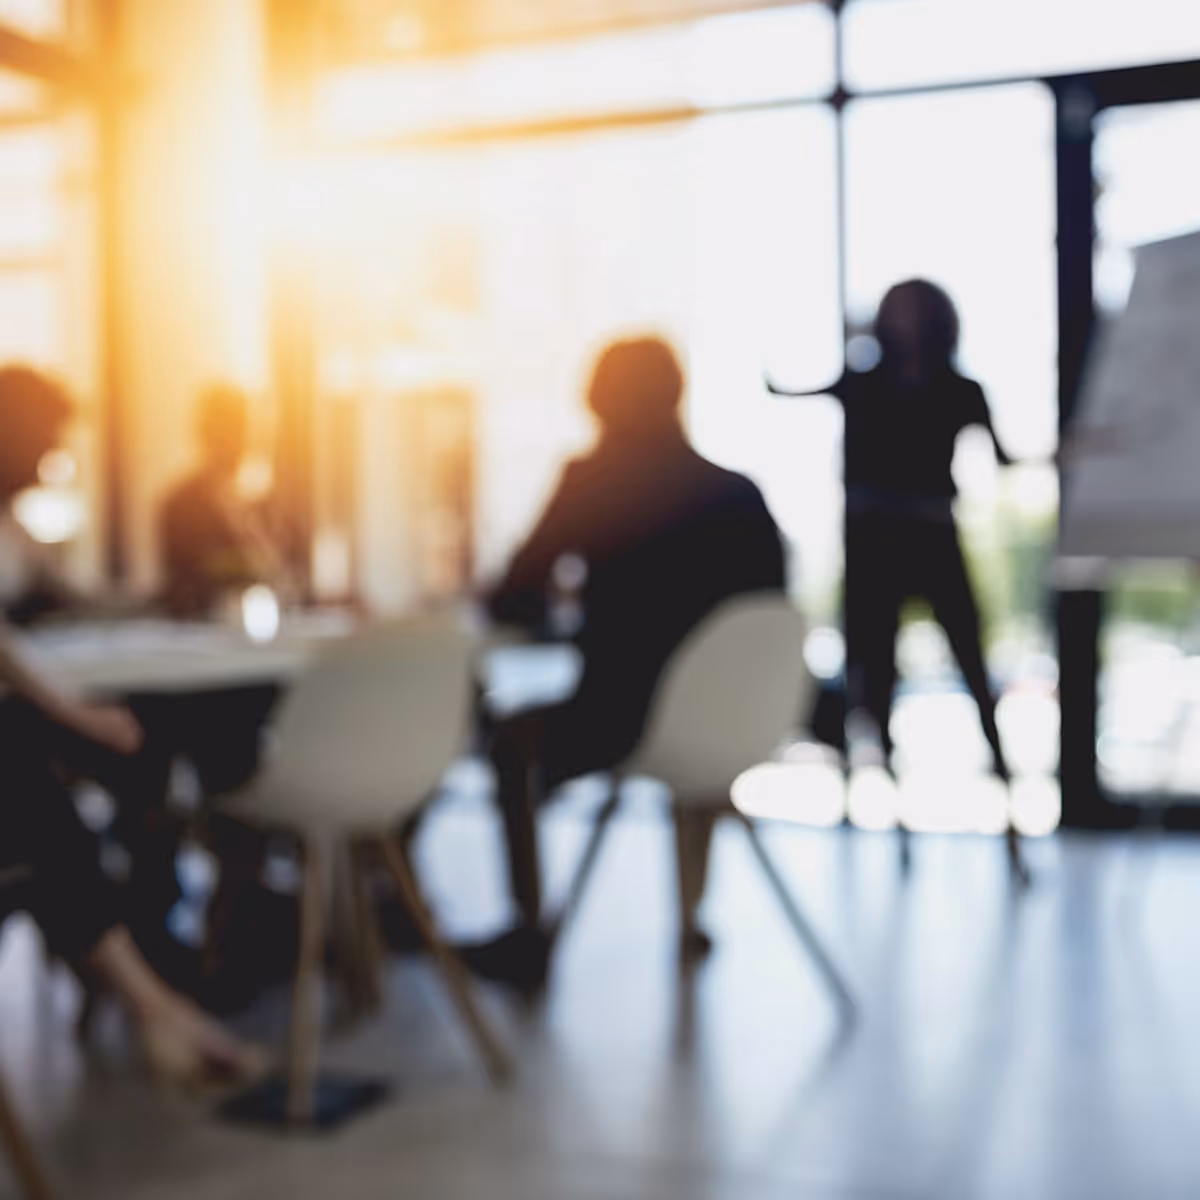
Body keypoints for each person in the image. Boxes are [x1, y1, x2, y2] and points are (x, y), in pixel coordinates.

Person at [473, 337, 786, 989]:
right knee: (682, 742)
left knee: (510, 741)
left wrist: (563, 603)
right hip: (732, 727)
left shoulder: (595, 480)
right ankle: (691, 917)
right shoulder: (739, 494)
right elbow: (768, 624)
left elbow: (512, 592)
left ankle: (528, 928)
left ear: (598, 402)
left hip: (620, 720)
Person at [0, 367, 260, 1087]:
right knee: (78, 754)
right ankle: (155, 979)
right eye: (46, 440)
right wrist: (80, 715)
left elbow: (71, 601)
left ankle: (152, 960)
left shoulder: (15, 528)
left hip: (33, 712)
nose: (52, 456)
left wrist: (137, 606)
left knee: (136, 749)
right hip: (29, 712)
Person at [767, 280, 1022, 868]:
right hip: (874, 549)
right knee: (874, 683)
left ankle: (1009, 825)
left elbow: (1007, 460)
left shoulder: (962, 390)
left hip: (934, 539)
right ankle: (897, 822)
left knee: (976, 672)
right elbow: (780, 386)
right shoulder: (860, 380)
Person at [159, 385, 284, 618]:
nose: (239, 442)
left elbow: (280, 567)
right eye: (229, 431)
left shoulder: (262, 504)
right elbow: (186, 579)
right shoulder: (181, 505)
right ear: (206, 434)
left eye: (243, 431)